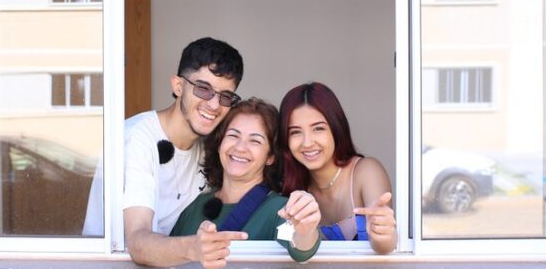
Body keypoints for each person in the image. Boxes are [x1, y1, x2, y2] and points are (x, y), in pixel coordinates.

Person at [123, 37, 247, 267]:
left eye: (225, 96)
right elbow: (137, 242)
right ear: (178, 86)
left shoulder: (209, 150)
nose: (214, 105)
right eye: (203, 89)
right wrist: (193, 248)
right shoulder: (138, 138)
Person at [171, 98, 321, 267]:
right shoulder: (195, 206)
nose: (240, 147)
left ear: (270, 157)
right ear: (220, 143)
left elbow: (301, 248)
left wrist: (306, 230)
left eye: (255, 141)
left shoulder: (281, 209)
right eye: (233, 135)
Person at [278, 82, 397, 254]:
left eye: (318, 128)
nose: (307, 142)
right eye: (295, 132)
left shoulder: (366, 171)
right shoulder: (288, 186)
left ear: (336, 128)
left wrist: (383, 233)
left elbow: (385, 247)